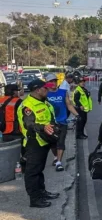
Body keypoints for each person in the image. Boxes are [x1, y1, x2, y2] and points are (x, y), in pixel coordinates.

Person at [17, 79, 60, 208]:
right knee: (32, 172)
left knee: (39, 169)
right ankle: (34, 199)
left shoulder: (44, 102)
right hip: (34, 142)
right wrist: (43, 127)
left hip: (44, 140)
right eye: (45, 88)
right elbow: (29, 124)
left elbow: (50, 118)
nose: (48, 90)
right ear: (37, 90)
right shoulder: (28, 106)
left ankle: (41, 192)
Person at [45, 74, 79, 172]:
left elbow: (69, 105)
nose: (54, 83)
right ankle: (56, 156)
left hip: (62, 121)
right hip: (50, 123)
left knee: (61, 142)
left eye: (55, 81)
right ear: (47, 83)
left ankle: (59, 162)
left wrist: (77, 115)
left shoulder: (63, 92)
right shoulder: (45, 94)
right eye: (51, 81)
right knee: (52, 143)